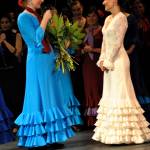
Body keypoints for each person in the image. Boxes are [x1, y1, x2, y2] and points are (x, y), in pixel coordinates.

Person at [15, 0, 82, 149]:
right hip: (37, 62)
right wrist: (45, 19)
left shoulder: (36, 15)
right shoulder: (23, 17)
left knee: (50, 97)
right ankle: (39, 139)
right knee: (39, 96)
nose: (42, 0)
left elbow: (47, 38)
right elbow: (35, 41)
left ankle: (51, 137)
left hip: (48, 59)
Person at [92, 0, 150, 144]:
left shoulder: (121, 18)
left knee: (121, 93)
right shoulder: (108, 18)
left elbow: (118, 42)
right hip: (109, 60)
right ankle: (112, 133)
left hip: (118, 60)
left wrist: (109, 61)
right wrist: (102, 59)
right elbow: (105, 42)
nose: (104, 2)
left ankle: (127, 134)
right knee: (111, 93)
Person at [82, 7, 103, 127]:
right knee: (90, 89)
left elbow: (107, 48)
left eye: (93, 15)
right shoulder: (82, 32)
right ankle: (94, 120)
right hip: (87, 65)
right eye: (89, 16)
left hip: (99, 63)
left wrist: (92, 49)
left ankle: (104, 117)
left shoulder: (103, 30)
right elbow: (79, 50)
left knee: (101, 87)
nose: (91, 18)